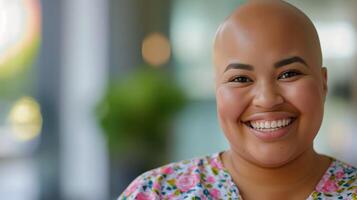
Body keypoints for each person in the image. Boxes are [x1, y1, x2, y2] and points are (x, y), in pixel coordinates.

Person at [119, 1, 357, 199]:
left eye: (289, 74)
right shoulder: (154, 193)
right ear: (217, 90)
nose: (267, 99)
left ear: (323, 83)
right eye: (241, 78)